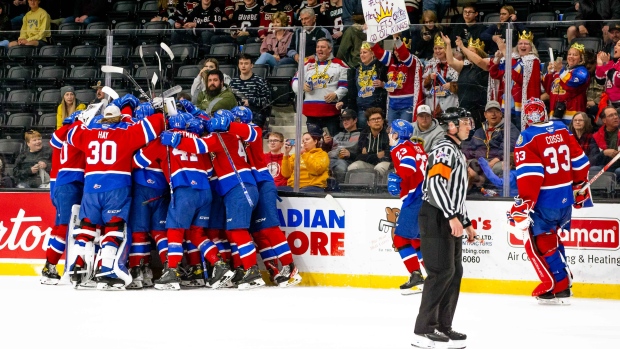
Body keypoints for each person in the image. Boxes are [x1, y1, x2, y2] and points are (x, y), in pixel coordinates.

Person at [65, 99, 166, 290]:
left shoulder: (89, 134)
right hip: (116, 186)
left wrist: (82, 119)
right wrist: (158, 110)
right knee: (113, 228)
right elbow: (156, 124)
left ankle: (78, 267)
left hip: (91, 188)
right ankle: (108, 270)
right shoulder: (125, 134)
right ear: (119, 119)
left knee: (87, 227)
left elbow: (71, 134)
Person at [163, 109, 266, 290]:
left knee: (238, 231)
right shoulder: (234, 136)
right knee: (234, 231)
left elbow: (198, 146)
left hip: (238, 185)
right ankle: (244, 269)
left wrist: (177, 139)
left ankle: (252, 271)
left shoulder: (222, 137)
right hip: (239, 186)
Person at [509, 97, 591, 305]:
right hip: (565, 198)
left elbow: (531, 174)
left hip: (545, 198)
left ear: (526, 116)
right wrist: (579, 184)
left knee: (543, 240)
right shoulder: (561, 128)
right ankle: (563, 281)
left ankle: (561, 283)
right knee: (552, 238)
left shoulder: (527, 137)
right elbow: (581, 161)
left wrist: (525, 203)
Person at [413, 106, 476, 349]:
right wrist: (452, 216)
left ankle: (442, 325)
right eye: (465, 122)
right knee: (440, 272)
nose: (469, 125)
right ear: (451, 126)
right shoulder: (443, 149)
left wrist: (466, 221)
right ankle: (423, 330)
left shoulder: (456, 150)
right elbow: (436, 184)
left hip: (450, 216)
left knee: (453, 271)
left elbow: (456, 193)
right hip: (437, 216)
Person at [227, 106, 302, 287]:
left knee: (269, 228)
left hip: (263, 183)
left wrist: (225, 123)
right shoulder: (236, 135)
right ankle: (274, 270)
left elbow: (246, 132)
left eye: (236, 120)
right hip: (251, 184)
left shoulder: (253, 129)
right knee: (258, 232)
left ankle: (290, 267)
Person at [41, 111, 85, 285]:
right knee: (62, 228)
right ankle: (49, 266)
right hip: (68, 184)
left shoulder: (67, 132)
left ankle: (64, 265)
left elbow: (55, 139)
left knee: (67, 227)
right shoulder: (76, 132)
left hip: (68, 183)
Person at [386, 119, 427, 295]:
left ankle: (417, 275)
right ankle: (432, 275)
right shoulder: (416, 145)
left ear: (396, 134)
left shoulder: (401, 148)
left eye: (391, 131)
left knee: (400, 239)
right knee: (416, 240)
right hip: (425, 196)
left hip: (415, 198)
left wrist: (397, 176)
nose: (389, 133)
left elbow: (408, 165)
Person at [292, 37, 349, 138]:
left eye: (323, 47)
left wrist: (336, 94)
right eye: (318, 47)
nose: (319, 49)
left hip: (330, 112)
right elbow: (294, 80)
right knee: (314, 144)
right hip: (311, 112)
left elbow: (345, 86)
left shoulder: (340, 65)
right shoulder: (307, 64)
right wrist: (301, 86)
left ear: (330, 49)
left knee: (332, 144)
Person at [489, 30, 541, 130]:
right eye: (520, 43)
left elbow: (519, 78)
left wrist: (505, 53)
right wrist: (497, 60)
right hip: (506, 105)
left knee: (517, 133)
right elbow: (494, 74)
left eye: (526, 43)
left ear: (531, 47)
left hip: (520, 106)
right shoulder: (513, 59)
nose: (523, 45)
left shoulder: (532, 61)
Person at [462, 100, 519, 188]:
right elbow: (470, 149)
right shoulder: (479, 131)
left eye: (496, 111)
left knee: (500, 168)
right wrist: (463, 158)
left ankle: (490, 189)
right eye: (490, 111)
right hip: (480, 161)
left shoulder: (509, 128)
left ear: (501, 114)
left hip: (498, 161)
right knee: (465, 168)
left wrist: (496, 159)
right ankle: (468, 194)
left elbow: (509, 146)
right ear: (485, 115)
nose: (493, 114)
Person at [371, 34, 424, 123]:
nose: (397, 53)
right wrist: (369, 35)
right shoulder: (392, 61)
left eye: (399, 50)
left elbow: (404, 56)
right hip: (392, 105)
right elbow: (378, 53)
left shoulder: (413, 62)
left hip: (407, 105)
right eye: (395, 50)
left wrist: (396, 39)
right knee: (391, 132)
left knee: (404, 132)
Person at [443, 34, 490, 128]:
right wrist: (448, 45)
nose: (467, 53)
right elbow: (451, 62)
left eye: (470, 51)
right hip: (464, 108)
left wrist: (462, 47)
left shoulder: (485, 65)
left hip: (479, 109)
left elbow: (480, 61)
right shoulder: (466, 67)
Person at [338, 41, 387, 127]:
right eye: (360, 53)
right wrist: (343, 102)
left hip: (377, 109)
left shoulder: (382, 68)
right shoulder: (355, 70)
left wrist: (383, 84)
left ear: (372, 54)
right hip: (361, 109)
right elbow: (352, 92)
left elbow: (390, 86)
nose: (362, 55)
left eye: (365, 52)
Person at [543, 43, 590, 125]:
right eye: (569, 54)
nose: (571, 56)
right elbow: (548, 90)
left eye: (575, 55)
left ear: (581, 58)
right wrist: (550, 73)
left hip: (574, 115)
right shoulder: (561, 71)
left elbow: (571, 85)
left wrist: (560, 71)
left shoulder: (582, 71)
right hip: (556, 114)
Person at [347, 107, 391, 180]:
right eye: (373, 119)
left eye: (379, 118)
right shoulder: (364, 134)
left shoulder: (388, 133)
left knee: (379, 167)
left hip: (386, 164)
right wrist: (376, 155)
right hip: (370, 163)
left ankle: (380, 190)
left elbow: (388, 155)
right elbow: (359, 156)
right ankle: (358, 189)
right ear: (368, 123)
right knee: (352, 167)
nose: (376, 121)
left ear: (383, 121)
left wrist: (367, 155)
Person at [228, 54, 271, 128]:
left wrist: (250, 101)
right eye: (241, 63)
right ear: (238, 65)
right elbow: (230, 100)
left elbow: (267, 101)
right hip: (237, 113)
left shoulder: (260, 81)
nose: (243, 66)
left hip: (255, 113)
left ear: (251, 65)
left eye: (246, 63)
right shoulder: (233, 82)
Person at [423, 35, 459, 116]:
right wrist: (429, 79)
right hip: (433, 103)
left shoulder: (455, 63)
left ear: (446, 49)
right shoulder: (430, 64)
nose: (437, 51)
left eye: (440, 48)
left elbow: (462, 83)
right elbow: (423, 86)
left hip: (450, 102)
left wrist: (452, 85)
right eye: (435, 48)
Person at [322, 109, 360, 183]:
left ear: (355, 120)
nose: (345, 122)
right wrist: (326, 143)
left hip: (347, 161)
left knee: (340, 166)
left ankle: (339, 190)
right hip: (331, 159)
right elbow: (325, 151)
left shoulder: (361, 135)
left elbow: (363, 153)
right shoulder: (337, 135)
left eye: (348, 119)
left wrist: (350, 155)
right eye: (343, 119)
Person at [592, 106, 620, 179]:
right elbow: (592, 159)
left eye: (616, 114)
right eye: (611, 115)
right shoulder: (596, 136)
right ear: (604, 120)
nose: (615, 117)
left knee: (618, 171)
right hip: (606, 165)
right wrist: (604, 153)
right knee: (593, 170)